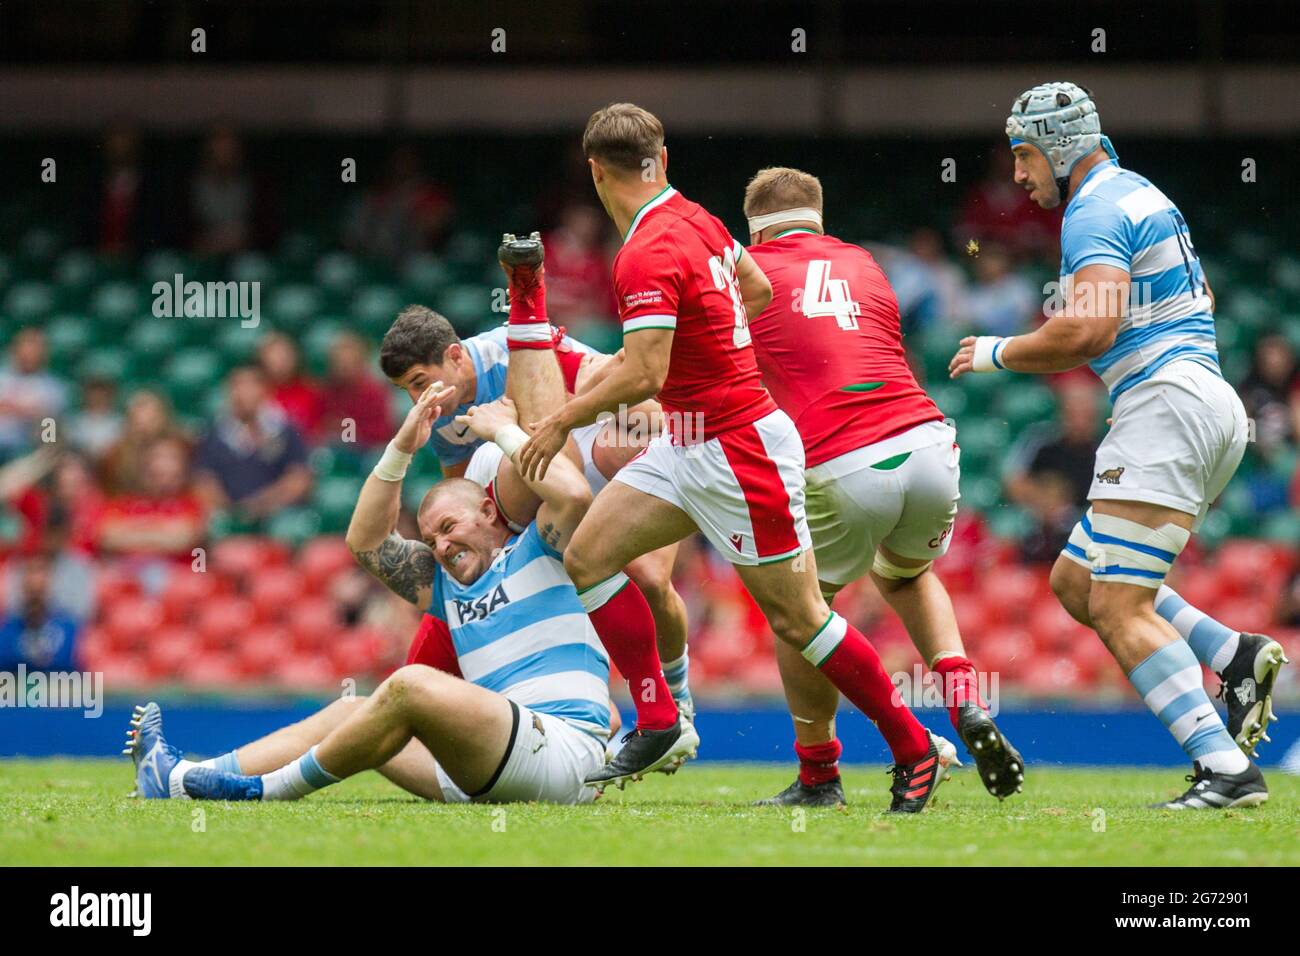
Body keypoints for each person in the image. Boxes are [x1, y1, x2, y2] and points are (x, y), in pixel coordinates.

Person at [519, 103, 955, 810]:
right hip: (688, 439)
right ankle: (659, 719)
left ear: (594, 171)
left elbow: (644, 375)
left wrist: (559, 422)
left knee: (800, 619)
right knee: (588, 557)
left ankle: (910, 748)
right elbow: (751, 290)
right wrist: (718, 350)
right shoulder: (697, 218)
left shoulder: (643, 251)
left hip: (736, 448)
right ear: (661, 160)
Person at [950, 81, 1288, 809]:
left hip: (1165, 404)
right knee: (1077, 583)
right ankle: (1232, 655)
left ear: (1059, 148)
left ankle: (1225, 770)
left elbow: (1089, 331)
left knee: (1118, 604)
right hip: (1198, 398)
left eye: (1024, 155)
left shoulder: (1094, 207)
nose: (1017, 175)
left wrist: (995, 354)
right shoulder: (1139, 194)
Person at [128, 340, 627, 805]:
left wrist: (500, 430)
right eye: (431, 539)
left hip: (559, 752)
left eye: (450, 528)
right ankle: (178, 781)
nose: (442, 546)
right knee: (353, 711)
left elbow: (573, 493)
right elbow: (365, 542)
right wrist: (402, 447)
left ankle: (260, 790)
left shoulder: (543, 549)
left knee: (411, 682)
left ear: (490, 515)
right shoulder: (446, 586)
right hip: (486, 762)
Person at [739, 166, 1021, 806]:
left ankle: (819, 776)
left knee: (801, 614)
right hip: (927, 441)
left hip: (842, 456)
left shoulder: (746, 272)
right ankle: (965, 701)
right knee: (906, 576)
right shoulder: (865, 262)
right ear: (818, 215)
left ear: (753, 225)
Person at [379, 299, 695, 724]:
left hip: (577, 453)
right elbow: (463, 492)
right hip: (530, 493)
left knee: (653, 580)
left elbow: (643, 402)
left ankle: (676, 697)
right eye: (408, 391)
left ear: (455, 355)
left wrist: (586, 395)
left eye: (420, 382)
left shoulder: (519, 349)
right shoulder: (438, 415)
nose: (419, 399)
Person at [192, 366, 312, 525]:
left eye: (251, 385)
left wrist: (260, 505)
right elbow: (204, 482)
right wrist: (233, 512)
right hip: (229, 518)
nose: (244, 392)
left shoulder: (285, 430)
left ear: (264, 390)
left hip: (278, 516)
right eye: (238, 385)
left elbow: (299, 479)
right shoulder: (214, 434)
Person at [0, 328, 68, 463]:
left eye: (35, 349)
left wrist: (15, 410)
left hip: (26, 450)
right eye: (25, 347)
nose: (29, 354)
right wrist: (28, 412)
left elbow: (50, 432)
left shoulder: (53, 388)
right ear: (14, 350)